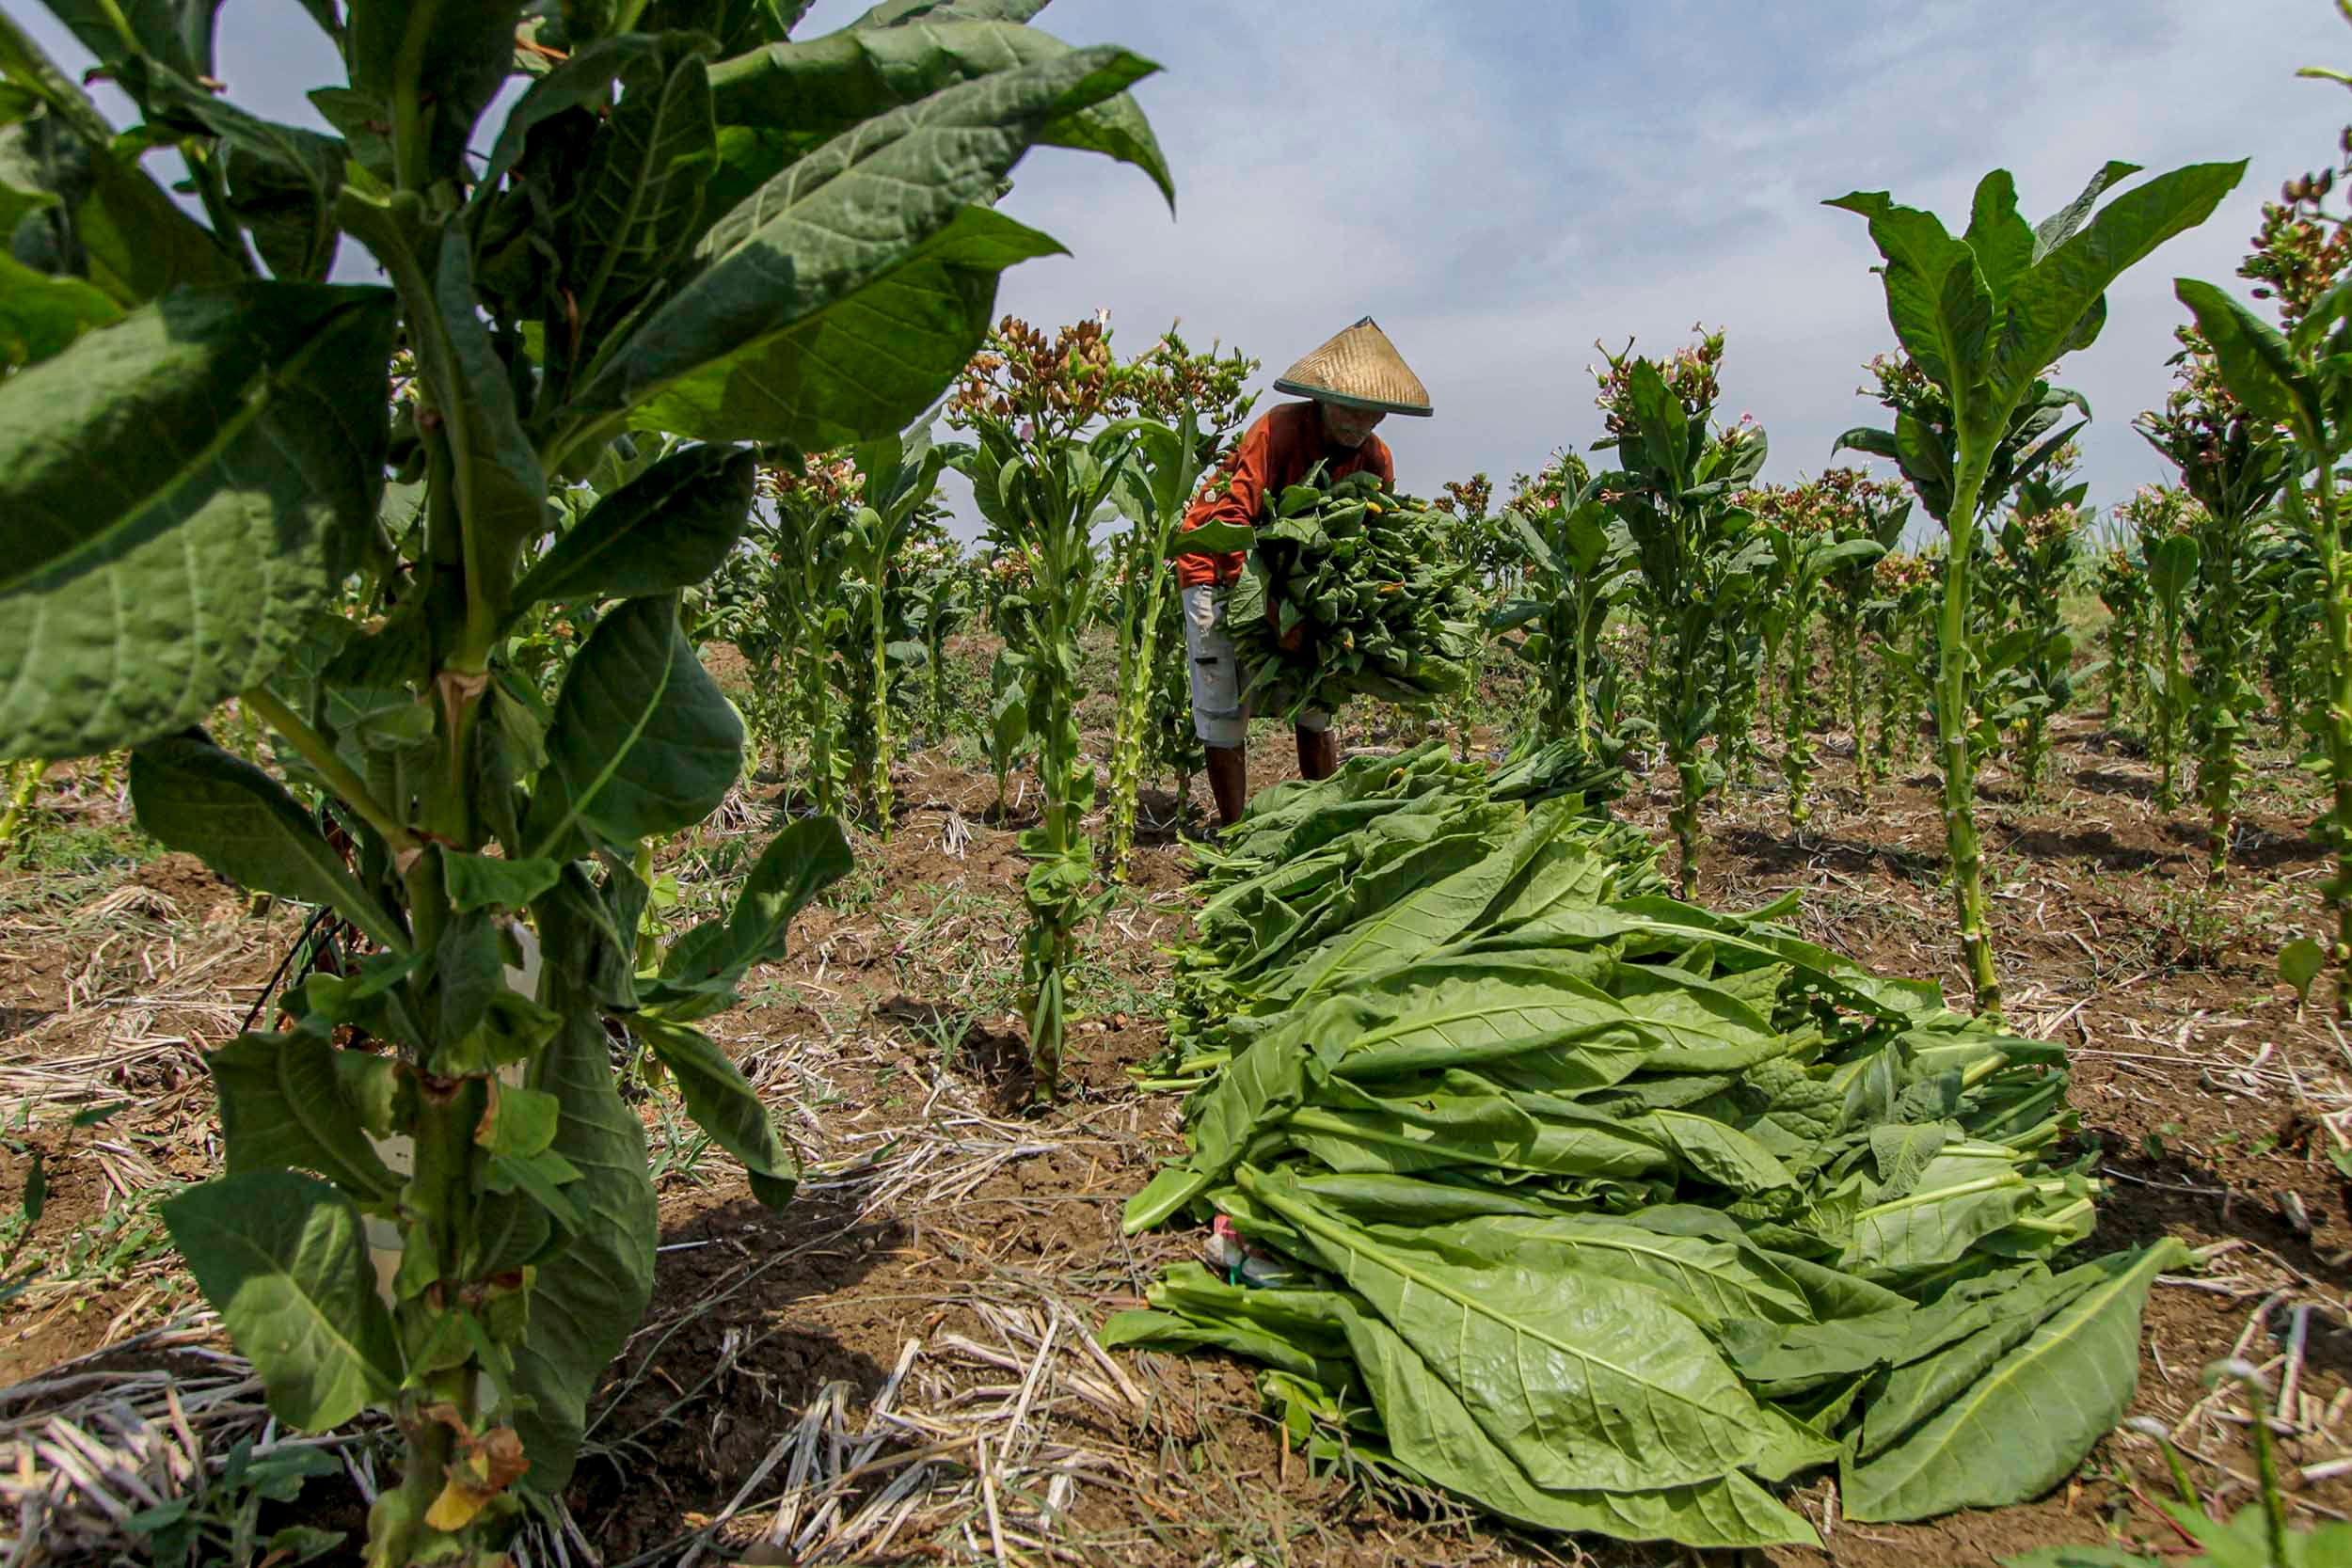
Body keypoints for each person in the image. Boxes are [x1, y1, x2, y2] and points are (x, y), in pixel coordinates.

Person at [1172, 316, 1434, 825]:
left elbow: (1367, 543)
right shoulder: (1278, 430)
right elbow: (1231, 525)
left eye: (1372, 413)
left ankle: (1322, 819)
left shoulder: (1375, 459)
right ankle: (1233, 830)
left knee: (1319, 698)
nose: (1359, 423)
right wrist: (1272, 615)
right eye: (1349, 409)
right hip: (1215, 564)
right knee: (1222, 703)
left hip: (1299, 586)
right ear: (1321, 400)